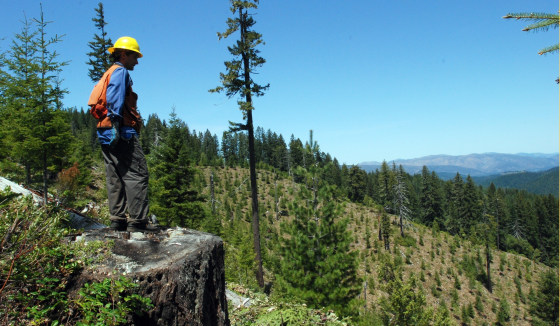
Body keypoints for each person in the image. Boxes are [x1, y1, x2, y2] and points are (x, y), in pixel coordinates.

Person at [89, 36, 152, 232]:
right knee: (137, 174)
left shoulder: (108, 72)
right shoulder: (120, 72)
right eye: (135, 56)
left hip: (104, 130)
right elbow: (115, 96)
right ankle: (138, 222)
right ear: (124, 55)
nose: (137, 61)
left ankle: (117, 220)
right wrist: (116, 124)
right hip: (121, 131)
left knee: (114, 174)